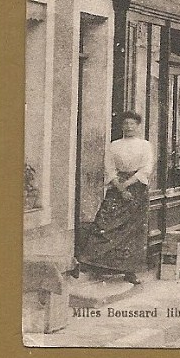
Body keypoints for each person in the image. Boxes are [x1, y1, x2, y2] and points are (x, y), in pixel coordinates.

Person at [76, 111, 153, 285]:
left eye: (132, 124)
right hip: (117, 188)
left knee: (134, 230)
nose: (129, 127)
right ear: (121, 126)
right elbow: (109, 168)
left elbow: (146, 168)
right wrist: (119, 187)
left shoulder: (145, 145)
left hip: (137, 189)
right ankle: (97, 264)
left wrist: (127, 186)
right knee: (106, 223)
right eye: (126, 124)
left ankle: (129, 271)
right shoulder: (114, 145)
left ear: (138, 126)